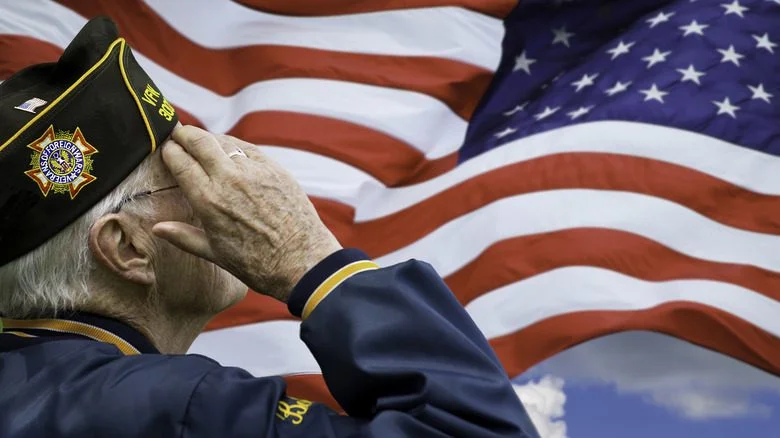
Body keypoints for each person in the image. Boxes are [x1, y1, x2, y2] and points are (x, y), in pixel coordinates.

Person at [0, 17, 540, 438]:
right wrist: (307, 259)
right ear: (127, 248)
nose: (239, 188)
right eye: (191, 174)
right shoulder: (177, 408)